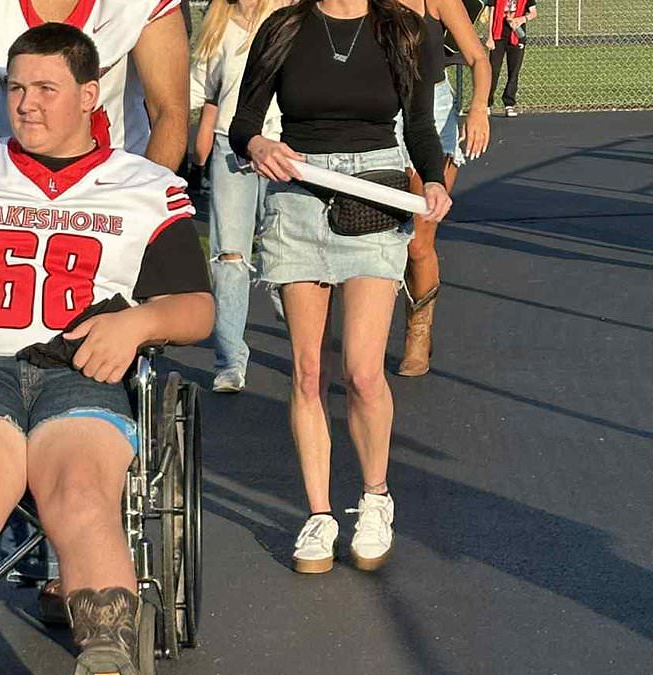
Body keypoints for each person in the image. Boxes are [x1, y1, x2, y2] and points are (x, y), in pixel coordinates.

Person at [0, 24, 213, 674]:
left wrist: (135, 325)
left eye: (45, 89)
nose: (25, 103)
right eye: (16, 87)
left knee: (80, 490)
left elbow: (195, 308)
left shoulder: (144, 186)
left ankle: (109, 655)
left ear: (89, 97)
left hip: (82, 366)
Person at [0, 0, 193, 613]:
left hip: (109, 202)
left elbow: (169, 112)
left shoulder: (140, 7)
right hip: (11, 202)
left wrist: (128, 216)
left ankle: (73, 564)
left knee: (80, 411)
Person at [229, 0, 452, 574]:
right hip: (298, 193)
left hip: (375, 199)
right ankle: (320, 514)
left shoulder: (403, 29)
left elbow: (420, 125)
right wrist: (258, 147)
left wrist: (431, 181)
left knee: (361, 370)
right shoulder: (284, 28)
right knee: (307, 371)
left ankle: (375, 498)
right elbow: (244, 124)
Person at [0, 0, 190, 170]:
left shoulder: (137, 5)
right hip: (14, 182)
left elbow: (170, 111)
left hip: (115, 179)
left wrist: (149, 197)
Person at [190, 0, 287, 393]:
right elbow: (199, 90)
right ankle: (229, 361)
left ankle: (301, 325)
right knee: (229, 255)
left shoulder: (286, 16)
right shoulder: (216, 26)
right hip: (231, 145)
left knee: (286, 250)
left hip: (284, 144)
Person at [394, 0, 492, 376]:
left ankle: (417, 337)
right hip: (380, 112)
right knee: (377, 236)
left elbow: (478, 59)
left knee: (418, 240)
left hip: (431, 113)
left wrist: (479, 108)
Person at [485, 0, 536, 117]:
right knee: (493, 70)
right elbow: (491, 13)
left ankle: (509, 103)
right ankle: (487, 103)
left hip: (516, 36)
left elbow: (533, 13)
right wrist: (490, 37)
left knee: (514, 71)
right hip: (498, 35)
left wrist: (521, 19)